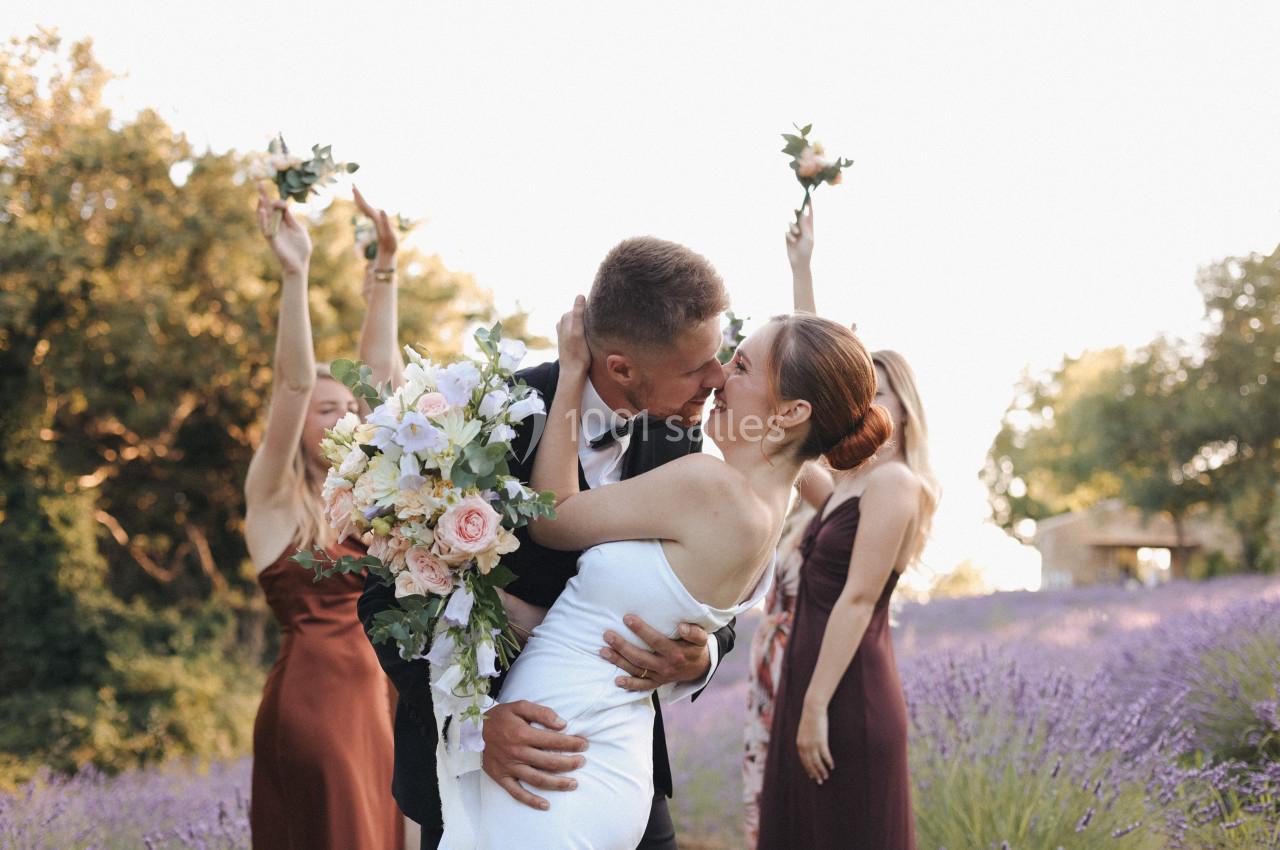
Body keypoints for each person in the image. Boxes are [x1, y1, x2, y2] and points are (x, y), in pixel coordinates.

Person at [447, 274, 890, 847]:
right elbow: (607, 625)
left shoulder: (709, 484)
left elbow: (552, 518)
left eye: (745, 367)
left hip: (562, 755)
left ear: (789, 413)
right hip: (576, 746)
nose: (721, 375)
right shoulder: (767, 511)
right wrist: (488, 603)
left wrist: (571, 373)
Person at [360, 237, 740, 850]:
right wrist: (475, 727)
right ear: (620, 367)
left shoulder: (682, 444)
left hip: (627, 767)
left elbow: (709, 587)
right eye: (697, 368)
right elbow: (386, 596)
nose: (718, 380)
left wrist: (704, 657)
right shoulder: (482, 419)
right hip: (488, 773)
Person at [756, 203, 940, 850]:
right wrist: (803, 275)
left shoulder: (895, 484)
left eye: (880, 392)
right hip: (808, 687)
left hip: (845, 699)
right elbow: (817, 386)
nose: (867, 403)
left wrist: (812, 707)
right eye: (863, 393)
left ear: (906, 414)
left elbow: (858, 599)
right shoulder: (843, 487)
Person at [245, 184, 404, 850]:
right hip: (315, 711)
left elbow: (383, 384)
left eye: (350, 410)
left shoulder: (367, 506)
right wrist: (295, 273)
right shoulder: (276, 501)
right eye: (327, 410)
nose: (345, 417)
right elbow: (293, 382)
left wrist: (387, 270)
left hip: (376, 710)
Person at [742, 495, 815, 847]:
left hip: (799, 655)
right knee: (766, 768)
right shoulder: (792, 507)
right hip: (771, 659)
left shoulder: (831, 507)